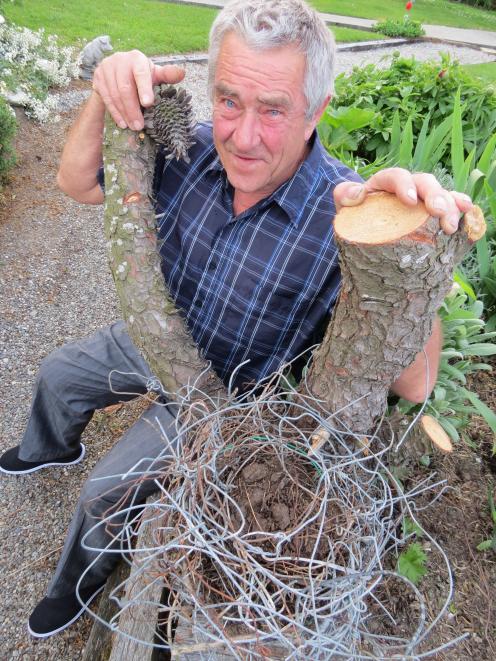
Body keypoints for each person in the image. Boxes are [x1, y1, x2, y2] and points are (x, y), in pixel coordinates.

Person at [0, 0, 472, 639]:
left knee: (101, 497)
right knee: (57, 374)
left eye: (273, 109)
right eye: (229, 100)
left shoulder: (347, 216)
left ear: (316, 110)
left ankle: (75, 592)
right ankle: (50, 448)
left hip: (219, 396)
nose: (242, 136)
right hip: (156, 335)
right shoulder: (189, 149)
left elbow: (413, 387)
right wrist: (105, 91)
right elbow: (76, 182)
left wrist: (411, 259)